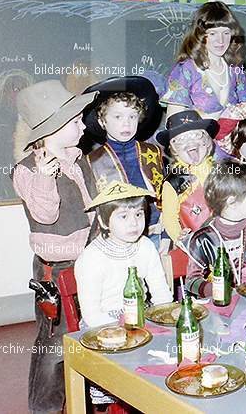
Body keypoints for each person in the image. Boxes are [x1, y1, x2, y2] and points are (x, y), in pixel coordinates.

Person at [12, 80, 98, 413]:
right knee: (53, 344)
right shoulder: (27, 171)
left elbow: (92, 208)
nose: (82, 125)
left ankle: (87, 398)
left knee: (90, 330)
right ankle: (45, 408)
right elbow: (45, 214)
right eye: (75, 121)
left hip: (90, 260)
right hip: (56, 270)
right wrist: (46, 178)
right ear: (53, 128)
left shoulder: (80, 160)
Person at [82, 76, 166, 253]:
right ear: (102, 121)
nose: (126, 123)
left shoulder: (153, 152)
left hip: (156, 235)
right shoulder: (92, 162)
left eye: (132, 116)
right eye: (118, 116)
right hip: (117, 241)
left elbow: (165, 197)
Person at [75, 181, 173, 328]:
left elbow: (160, 291)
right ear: (103, 221)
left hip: (141, 315)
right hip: (103, 323)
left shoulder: (146, 246)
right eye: (123, 216)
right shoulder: (91, 258)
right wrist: (125, 328)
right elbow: (92, 315)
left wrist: (166, 317)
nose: (134, 223)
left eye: (139, 214)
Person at [186, 161, 246, 296]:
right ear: (232, 202)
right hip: (219, 306)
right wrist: (220, 292)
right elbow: (192, 281)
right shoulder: (203, 239)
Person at [161, 1, 246, 119]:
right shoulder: (186, 69)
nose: (221, 40)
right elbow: (173, 121)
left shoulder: (235, 70)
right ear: (200, 35)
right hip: (195, 136)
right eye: (213, 33)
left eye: (226, 33)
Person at [158, 110, 218, 243]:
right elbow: (169, 217)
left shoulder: (220, 171)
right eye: (180, 140)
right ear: (174, 149)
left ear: (207, 141)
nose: (190, 143)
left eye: (196, 135)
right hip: (195, 245)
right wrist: (181, 239)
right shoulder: (174, 181)